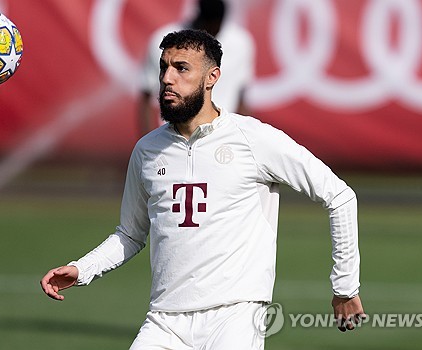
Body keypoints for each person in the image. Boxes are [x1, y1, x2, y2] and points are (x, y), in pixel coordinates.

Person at [41, 29, 366, 349]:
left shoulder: (253, 139)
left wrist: (345, 287)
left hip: (234, 317)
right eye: (164, 67)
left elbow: (338, 196)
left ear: (212, 78)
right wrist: (83, 268)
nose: (167, 78)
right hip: (164, 320)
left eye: (181, 68)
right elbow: (130, 233)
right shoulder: (147, 150)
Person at [137, 0, 255, 135]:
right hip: (173, 137)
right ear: (198, 16)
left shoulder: (240, 43)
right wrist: (149, 144)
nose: (211, 31)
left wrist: (244, 136)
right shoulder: (164, 41)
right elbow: (146, 96)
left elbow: (241, 96)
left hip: (223, 137)